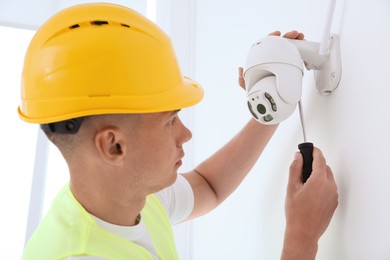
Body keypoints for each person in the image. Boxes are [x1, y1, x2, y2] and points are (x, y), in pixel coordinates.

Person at [18, 3, 338, 260]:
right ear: (113, 146)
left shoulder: (124, 196)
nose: (185, 134)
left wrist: (274, 100)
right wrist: (302, 238)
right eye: (170, 120)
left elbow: (208, 186)